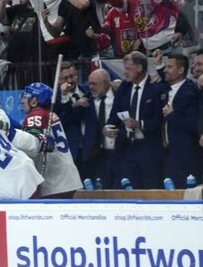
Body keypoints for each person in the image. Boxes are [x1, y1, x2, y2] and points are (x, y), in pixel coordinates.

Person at [104, 51, 166, 189]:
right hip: (126, 148)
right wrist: (107, 127)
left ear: (139, 68)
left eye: (128, 68)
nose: (124, 72)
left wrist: (139, 124)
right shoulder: (123, 89)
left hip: (149, 148)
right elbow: (114, 116)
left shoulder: (155, 88)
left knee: (150, 190)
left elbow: (159, 120)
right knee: (126, 190)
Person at [21, 82, 82, 198]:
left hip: (54, 181)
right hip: (68, 177)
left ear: (34, 101)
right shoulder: (49, 114)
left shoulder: (35, 115)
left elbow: (31, 144)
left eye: (26, 97)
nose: (23, 101)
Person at [158, 52, 201, 188]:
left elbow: (193, 124)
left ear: (181, 70)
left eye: (169, 67)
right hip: (169, 153)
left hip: (187, 155)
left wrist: (171, 115)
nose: (165, 70)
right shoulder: (167, 89)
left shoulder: (191, 91)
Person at [83, 69, 117, 188]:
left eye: (94, 84)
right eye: (89, 84)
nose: (91, 87)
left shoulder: (120, 97)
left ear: (106, 83)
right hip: (95, 156)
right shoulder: (85, 101)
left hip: (118, 153)